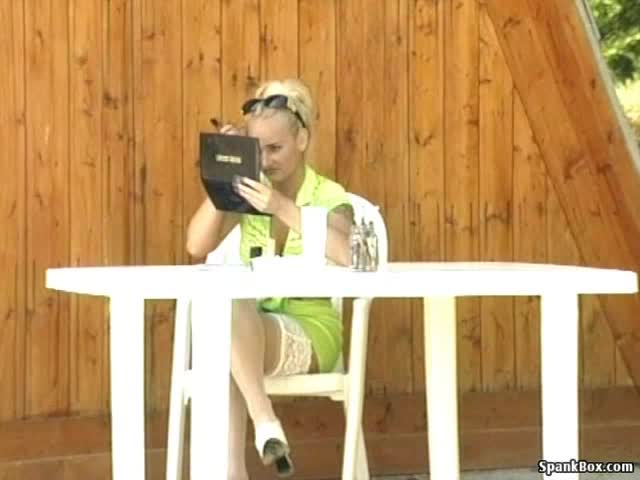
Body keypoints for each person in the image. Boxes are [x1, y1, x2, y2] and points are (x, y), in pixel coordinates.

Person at [186, 78, 354, 480]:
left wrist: (280, 206)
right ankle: (263, 427)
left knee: (221, 335)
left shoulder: (328, 195)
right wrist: (226, 171)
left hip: (310, 327)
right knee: (222, 311)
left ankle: (243, 455)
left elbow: (347, 253)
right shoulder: (250, 191)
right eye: (256, 150)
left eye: (275, 148)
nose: (265, 161)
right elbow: (195, 245)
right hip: (249, 327)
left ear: (302, 139)